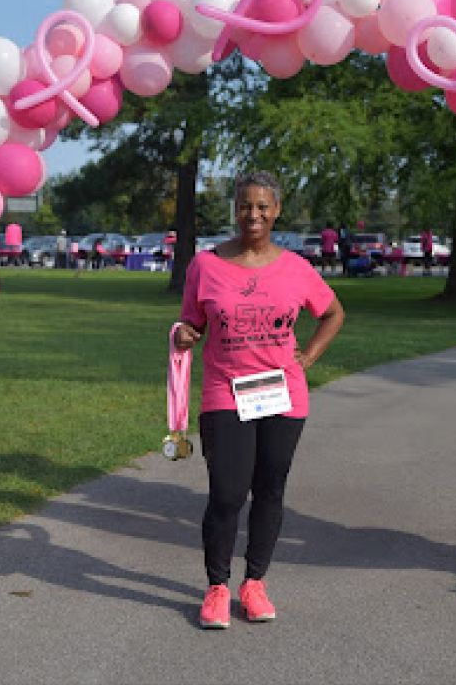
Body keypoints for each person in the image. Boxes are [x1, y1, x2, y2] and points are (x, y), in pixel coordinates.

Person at [173, 171, 345, 629]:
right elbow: (191, 322)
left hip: (282, 395)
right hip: (225, 393)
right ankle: (216, 588)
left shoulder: (296, 268)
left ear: (277, 211)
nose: (254, 214)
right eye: (245, 205)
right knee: (227, 494)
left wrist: (308, 355)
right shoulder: (206, 265)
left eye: (263, 206)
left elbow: (331, 312)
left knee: (270, 491)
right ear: (235, 208)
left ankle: (254, 584)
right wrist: (185, 334)